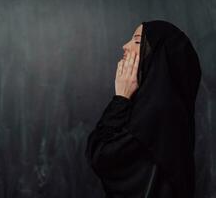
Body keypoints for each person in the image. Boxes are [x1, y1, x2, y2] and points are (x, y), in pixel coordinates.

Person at [85, 20, 202, 198]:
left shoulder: (149, 117)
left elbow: (99, 156)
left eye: (137, 41)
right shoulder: (175, 115)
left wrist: (121, 98)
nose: (125, 46)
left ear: (155, 56)